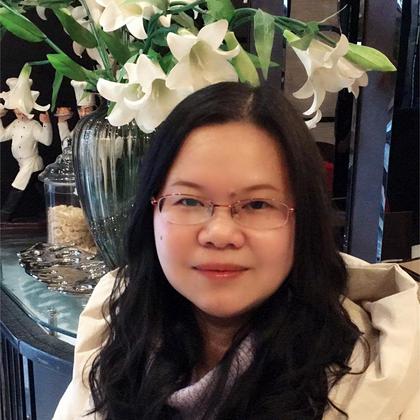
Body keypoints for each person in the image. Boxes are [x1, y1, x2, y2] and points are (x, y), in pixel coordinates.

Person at [53, 82, 419, 420]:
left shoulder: (387, 382)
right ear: (152, 211)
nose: (220, 234)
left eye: (258, 204)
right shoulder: (114, 334)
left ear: (303, 220)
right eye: (189, 200)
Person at [0, 107, 52, 221]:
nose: (21, 116)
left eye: (23, 113)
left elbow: (47, 141)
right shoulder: (15, 123)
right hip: (22, 163)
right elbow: (1, 137)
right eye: (18, 114)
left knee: (18, 186)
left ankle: (4, 215)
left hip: (31, 163)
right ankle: (50, 208)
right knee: (39, 188)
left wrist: (46, 124)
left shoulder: (34, 125)